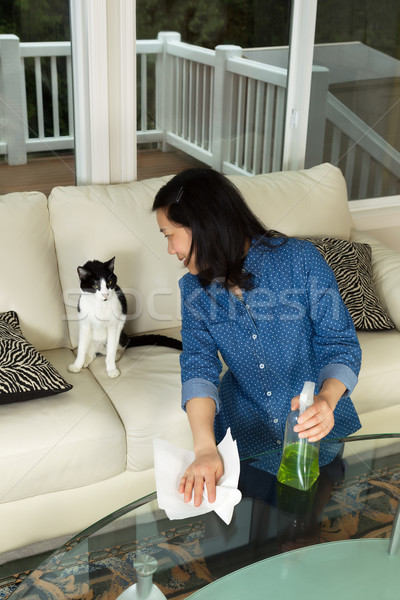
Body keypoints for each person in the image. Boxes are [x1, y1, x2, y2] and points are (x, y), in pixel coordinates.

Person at [152, 168, 361, 508]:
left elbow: (339, 343)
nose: (169, 248)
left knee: (311, 536)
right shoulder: (193, 289)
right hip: (245, 442)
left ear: (201, 226)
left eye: (168, 234)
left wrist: (327, 399)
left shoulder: (301, 261)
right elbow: (198, 367)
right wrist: (205, 447)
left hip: (315, 443)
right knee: (245, 550)